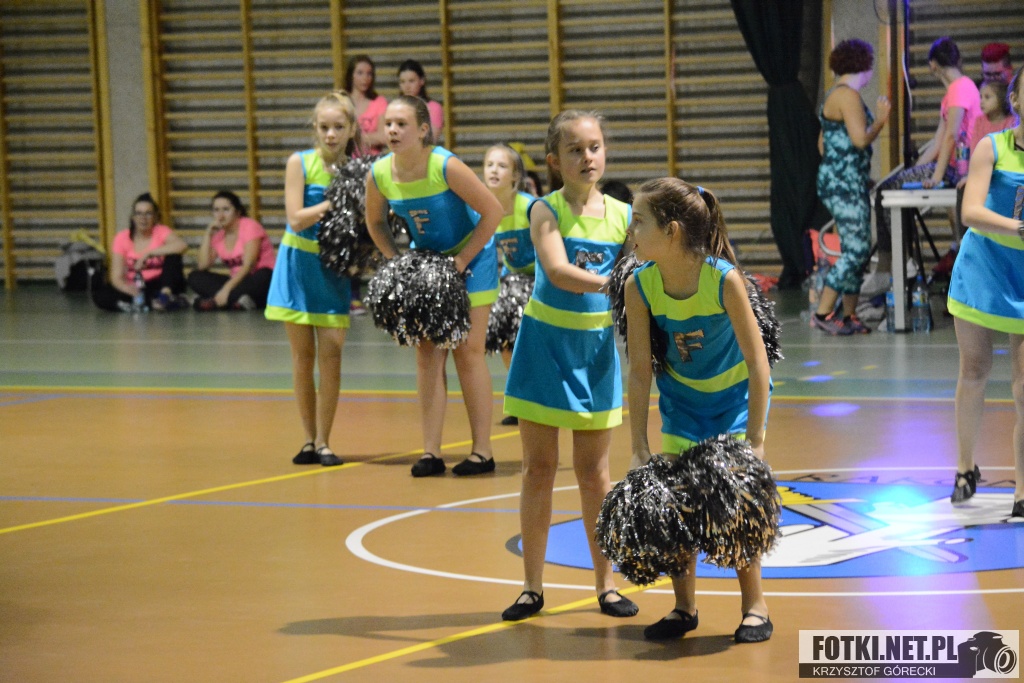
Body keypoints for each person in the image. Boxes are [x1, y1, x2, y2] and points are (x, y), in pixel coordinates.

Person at [623, 178, 773, 642]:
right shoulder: (639, 285)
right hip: (682, 408)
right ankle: (684, 607)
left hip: (731, 408)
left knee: (736, 502)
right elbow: (640, 372)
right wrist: (639, 446)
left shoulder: (723, 279)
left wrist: (756, 440)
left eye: (639, 222)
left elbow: (758, 364)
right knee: (675, 501)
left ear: (671, 232)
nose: (630, 232)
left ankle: (755, 606)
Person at [501, 110, 637, 622]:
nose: (587, 157)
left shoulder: (624, 215)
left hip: (596, 353)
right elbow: (558, 271)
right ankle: (531, 588)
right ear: (555, 160)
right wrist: (620, 282)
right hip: (544, 349)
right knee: (538, 468)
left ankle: (606, 585)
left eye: (595, 146)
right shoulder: (544, 209)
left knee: (595, 474)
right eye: (575, 149)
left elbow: (644, 274)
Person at [365, 95, 504, 477]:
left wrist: (461, 261)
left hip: (473, 257)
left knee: (468, 352)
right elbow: (375, 222)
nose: (392, 130)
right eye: (388, 124)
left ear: (423, 130)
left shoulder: (445, 165)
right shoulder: (379, 173)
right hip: (429, 266)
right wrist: (397, 262)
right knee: (427, 354)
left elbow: (492, 211)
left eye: (402, 124)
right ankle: (430, 452)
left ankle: (482, 452)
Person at [265, 91, 361, 468]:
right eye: (324, 127)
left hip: (332, 270)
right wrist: (335, 201)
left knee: (332, 355)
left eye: (338, 127)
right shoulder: (300, 162)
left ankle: (324, 441)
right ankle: (308, 439)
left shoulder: (359, 170)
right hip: (297, 266)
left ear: (351, 128)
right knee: (302, 357)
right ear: (315, 129)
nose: (331, 134)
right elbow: (295, 218)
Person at [946, 66, 1024, 520]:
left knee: (1023, 386)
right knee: (974, 369)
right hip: (983, 271)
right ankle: (965, 467)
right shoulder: (992, 147)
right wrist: (1018, 227)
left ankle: (1022, 491)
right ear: (1017, 100)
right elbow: (971, 211)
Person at [873, 37, 981, 266]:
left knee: (885, 191)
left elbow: (951, 136)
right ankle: (904, 259)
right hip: (953, 166)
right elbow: (937, 142)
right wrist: (915, 171)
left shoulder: (960, 88)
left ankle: (891, 261)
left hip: (959, 168)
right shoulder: (954, 91)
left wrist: (936, 176)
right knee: (893, 190)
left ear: (933, 64)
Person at [812, 39, 890, 335]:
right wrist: (880, 121)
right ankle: (823, 312)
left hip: (844, 182)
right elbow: (859, 139)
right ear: (864, 66)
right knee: (857, 250)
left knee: (855, 247)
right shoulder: (848, 95)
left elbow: (823, 144)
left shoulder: (835, 95)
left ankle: (849, 314)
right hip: (843, 186)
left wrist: (850, 170)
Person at [484, 142, 535, 427]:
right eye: (489, 164)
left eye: (502, 166)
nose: (494, 170)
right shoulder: (486, 209)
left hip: (540, 280)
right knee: (504, 337)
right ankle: (520, 399)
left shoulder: (528, 206)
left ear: (515, 176)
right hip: (514, 282)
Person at [92, 192, 188, 312]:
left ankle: (163, 297)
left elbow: (182, 246)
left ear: (155, 217)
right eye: (139, 213)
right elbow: (116, 276)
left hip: (160, 284)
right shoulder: (122, 237)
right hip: (136, 284)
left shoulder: (161, 231)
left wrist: (150, 254)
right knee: (101, 295)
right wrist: (126, 288)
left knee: (174, 255)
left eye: (148, 213)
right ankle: (147, 303)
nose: (143, 218)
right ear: (133, 217)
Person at [188, 191, 275, 311]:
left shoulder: (250, 226)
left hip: (257, 278)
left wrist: (225, 290)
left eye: (226, 210)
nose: (220, 215)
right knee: (194, 277)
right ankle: (239, 301)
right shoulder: (219, 235)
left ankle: (216, 301)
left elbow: (249, 266)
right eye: (216, 210)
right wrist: (207, 234)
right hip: (238, 282)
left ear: (238, 212)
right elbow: (203, 265)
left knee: (264, 275)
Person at [346, 55, 388, 153]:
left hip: (373, 158)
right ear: (351, 75)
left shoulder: (379, 102)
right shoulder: (341, 100)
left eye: (369, 74)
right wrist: (371, 138)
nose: (365, 78)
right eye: (360, 73)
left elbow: (383, 137)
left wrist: (354, 138)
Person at [397, 59, 443, 143]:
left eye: (411, 81)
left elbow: (431, 139)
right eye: (402, 82)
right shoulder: (396, 108)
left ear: (422, 81)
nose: (407, 86)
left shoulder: (434, 108)